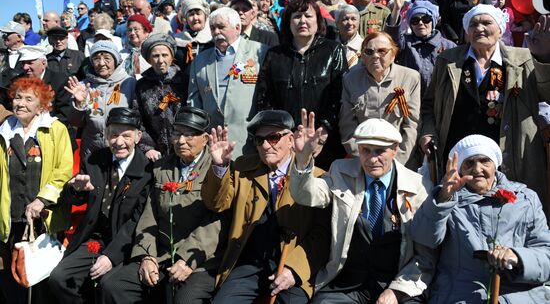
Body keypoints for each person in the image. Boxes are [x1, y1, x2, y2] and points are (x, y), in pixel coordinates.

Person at [290, 115, 435, 304]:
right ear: (358, 149)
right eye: (366, 151)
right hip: (348, 284)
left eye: (380, 151)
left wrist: (397, 291)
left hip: (399, 283)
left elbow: (425, 257)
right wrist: (302, 160)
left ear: (395, 150)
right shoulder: (340, 171)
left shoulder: (419, 186)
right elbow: (306, 195)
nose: (372, 159)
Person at [420, 9, 550, 211]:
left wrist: (543, 57)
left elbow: (546, 93)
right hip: (460, 156)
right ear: (466, 32)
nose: (479, 28)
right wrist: (428, 132)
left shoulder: (524, 58)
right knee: (460, 214)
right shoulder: (448, 60)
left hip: (511, 155)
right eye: (473, 24)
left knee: (509, 212)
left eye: (486, 23)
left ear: (500, 29)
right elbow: (429, 105)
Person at [100, 107, 226, 303]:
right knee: (114, 285)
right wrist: (146, 255)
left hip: (201, 260)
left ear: (206, 138)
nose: (181, 141)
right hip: (162, 256)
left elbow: (216, 221)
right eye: (177, 134)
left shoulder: (219, 168)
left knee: (185, 299)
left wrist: (187, 259)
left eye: (189, 135)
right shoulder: (161, 167)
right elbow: (149, 216)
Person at [202, 110, 330, 304]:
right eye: (259, 139)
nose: (265, 145)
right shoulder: (243, 167)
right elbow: (216, 204)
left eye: (273, 137)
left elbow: (322, 235)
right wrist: (220, 166)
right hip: (249, 264)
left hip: (291, 265)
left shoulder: (317, 178)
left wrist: (294, 269)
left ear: (290, 139)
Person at [411, 135, 550, 303]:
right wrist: (443, 198)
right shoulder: (447, 198)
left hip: (519, 296)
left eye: (485, 161)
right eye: (469, 163)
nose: (477, 169)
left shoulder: (525, 199)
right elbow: (425, 239)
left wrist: (518, 257)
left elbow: (546, 254)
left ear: (495, 165)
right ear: (460, 169)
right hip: (462, 295)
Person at [49, 107, 152, 303]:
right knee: (60, 278)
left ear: (138, 137)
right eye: (113, 135)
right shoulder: (94, 160)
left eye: (126, 136)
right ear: (106, 135)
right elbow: (77, 199)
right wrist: (76, 190)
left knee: (109, 286)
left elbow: (136, 221)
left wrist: (111, 257)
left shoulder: (147, 170)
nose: (119, 142)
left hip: (126, 245)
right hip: (94, 242)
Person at [0, 77, 73, 304]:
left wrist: (43, 199)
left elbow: (64, 169)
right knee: (12, 277)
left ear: (41, 106)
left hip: (44, 217)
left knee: (42, 277)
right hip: (11, 217)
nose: (20, 103)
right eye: (18, 97)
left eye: (28, 99)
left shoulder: (55, 129)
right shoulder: (4, 131)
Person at [256, 0, 348, 170]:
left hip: (326, 143)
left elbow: (339, 95)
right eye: (297, 16)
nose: (303, 21)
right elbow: (265, 99)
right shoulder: (274, 55)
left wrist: (322, 134)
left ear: (318, 21)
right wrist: (280, 135)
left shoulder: (333, 50)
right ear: (289, 22)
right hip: (284, 141)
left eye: (308, 16)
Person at [188, 7, 268, 159]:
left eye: (221, 27)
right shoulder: (200, 60)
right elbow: (194, 101)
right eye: (212, 28)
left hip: (250, 142)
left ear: (237, 28)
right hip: (213, 146)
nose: (216, 32)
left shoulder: (260, 52)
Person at [339, 32, 420, 167]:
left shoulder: (410, 78)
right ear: (363, 57)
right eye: (369, 52)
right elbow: (347, 125)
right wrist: (365, 160)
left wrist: (396, 162)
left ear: (393, 55)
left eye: (382, 51)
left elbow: (412, 124)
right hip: (362, 161)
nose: (375, 56)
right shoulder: (350, 80)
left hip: (399, 160)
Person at [65, 41, 136, 159]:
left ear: (116, 60)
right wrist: (79, 104)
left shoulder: (129, 83)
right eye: (96, 59)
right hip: (91, 150)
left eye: (107, 58)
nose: (102, 63)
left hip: (121, 148)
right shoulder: (83, 86)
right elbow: (76, 123)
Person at [386, 0, 456, 95]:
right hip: (409, 98)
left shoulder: (449, 46)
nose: (420, 23)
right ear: (411, 25)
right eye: (415, 21)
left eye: (426, 19)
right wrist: (397, 9)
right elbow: (391, 37)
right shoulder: (404, 43)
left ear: (433, 22)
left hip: (439, 100)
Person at [134, 33, 186, 162]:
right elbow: (137, 118)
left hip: (184, 147)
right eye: (156, 56)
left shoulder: (183, 81)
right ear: (149, 59)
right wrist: (147, 147)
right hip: (155, 153)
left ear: (172, 57)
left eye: (165, 55)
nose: (161, 60)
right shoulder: (142, 85)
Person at [174, 0, 213, 78]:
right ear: (186, 18)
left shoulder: (213, 39)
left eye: (198, 13)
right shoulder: (177, 40)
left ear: (205, 16)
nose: (195, 18)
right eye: (191, 14)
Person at [120, 14, 153, 78]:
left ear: (146, 32)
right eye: (130, 30)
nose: (132, 33)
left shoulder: (152, 52)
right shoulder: (122, 54)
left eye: (136, 29)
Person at [335, 4, 363, 68]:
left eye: (353, 19)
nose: (350, 23)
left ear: (359, 22)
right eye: (345, 19)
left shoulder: (365, 47)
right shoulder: (329, 47)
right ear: (337, 23)